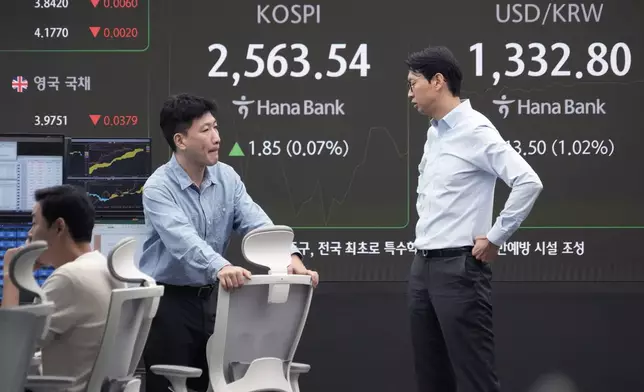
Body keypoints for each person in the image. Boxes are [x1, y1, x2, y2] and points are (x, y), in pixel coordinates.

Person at [139, 93, 319, 392]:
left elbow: (257, 222)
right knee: (171, 385)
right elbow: (183, 240)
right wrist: (221, 266)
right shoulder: (158, 188)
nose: (217, 137)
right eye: (206, 130)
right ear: (180, 141)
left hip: (213, 300)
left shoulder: (227, 177)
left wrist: (291, 258)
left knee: (210, 383)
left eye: (216, 127)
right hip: (169, 304)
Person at [406, 46, 543, 392]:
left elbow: (528, 181)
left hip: (459, 270)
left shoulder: (475, 129)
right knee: (432, 378)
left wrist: (496, 236)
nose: (409, 93)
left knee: (476, 378)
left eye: (413, 83)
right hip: (423, 268)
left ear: (437, 82)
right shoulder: (434, 132)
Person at [1, 184, 123, 392]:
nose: (30, 233)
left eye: (33, 223)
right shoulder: (103, 266)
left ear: (59, 227)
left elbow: (6, 355)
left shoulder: (68, 279)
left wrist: (12, 273)